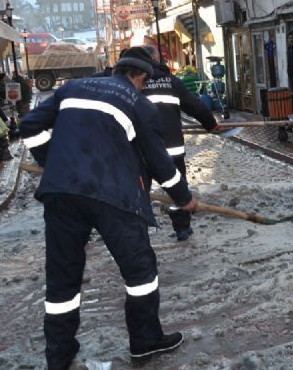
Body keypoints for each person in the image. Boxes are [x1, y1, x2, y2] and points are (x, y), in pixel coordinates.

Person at [19, 55, 198, 369]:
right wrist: (183, 197)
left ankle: (59, 355)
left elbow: (29, 126)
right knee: (140, 272)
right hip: (115, 196)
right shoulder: (140, 105)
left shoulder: (71, 88)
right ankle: (145, 341)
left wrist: (52, 162)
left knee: (62, 276)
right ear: (140, 79)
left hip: (61, 193)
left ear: (115, 71)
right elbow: (159, 161)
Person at [120, 46, 219, 241]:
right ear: (156, 60)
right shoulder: (172, 81)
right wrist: (211, 124)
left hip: (141, 152)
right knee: (178, 190)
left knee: (139, 192)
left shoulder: (130, 82)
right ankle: (182, 229)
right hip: (172, 150)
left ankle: (138, 233)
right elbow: (194, 105)